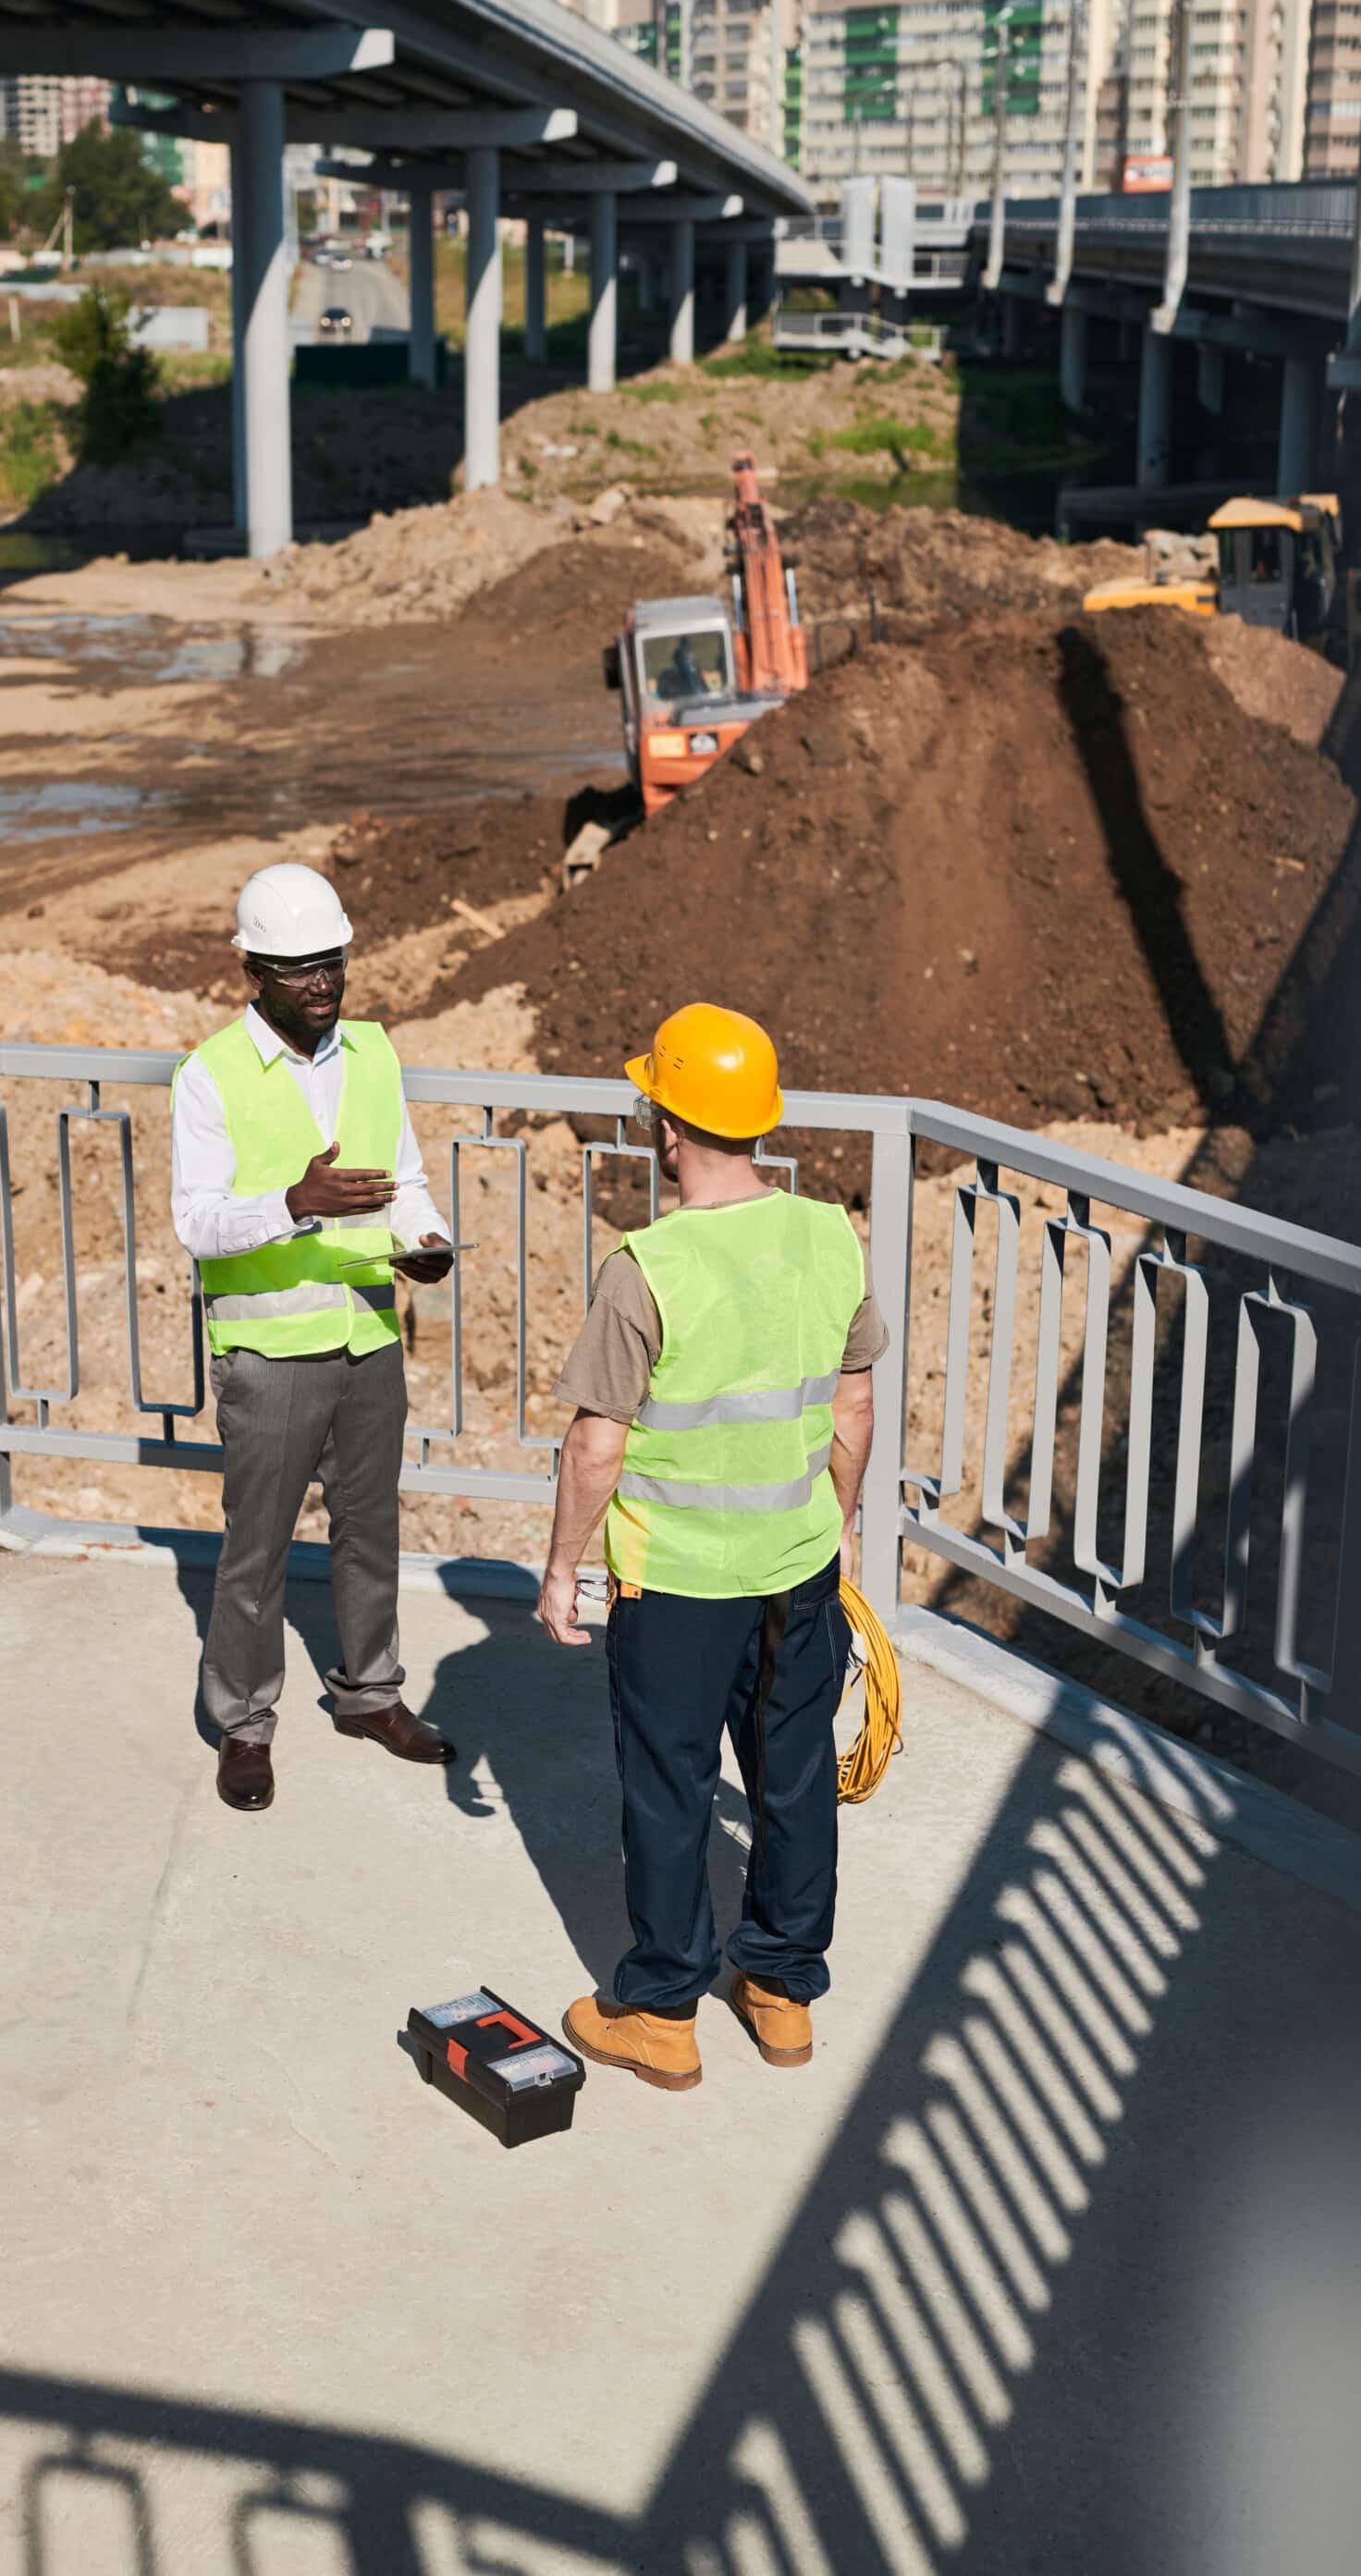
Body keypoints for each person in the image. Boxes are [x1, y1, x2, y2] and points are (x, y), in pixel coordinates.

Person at [536, 1003, 884, 2092]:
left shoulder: (647, 1267)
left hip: (679, 1586)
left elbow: (596, 1445)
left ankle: (661, 2008)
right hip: (798, 1571)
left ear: (666, 1128)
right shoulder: (831, 1235)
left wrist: (562, 1568)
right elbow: (854, 1407)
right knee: (792, 1779)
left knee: (670, 1787)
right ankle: (780, 1991)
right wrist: (840, 1529)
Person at [171, 863, 458, 1812]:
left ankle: (371, 1696)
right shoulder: (210, 1075)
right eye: (300, 969)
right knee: (256, 1550)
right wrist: (294, 1203)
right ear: (251, 969)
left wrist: (425, 1242)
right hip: (268, 1353)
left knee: (370, 1530)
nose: (324, 983)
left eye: (333, 961)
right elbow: (198, 1224)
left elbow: (404, 1175)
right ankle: (244, 1724)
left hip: (369, 1330)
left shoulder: (373, 1053)